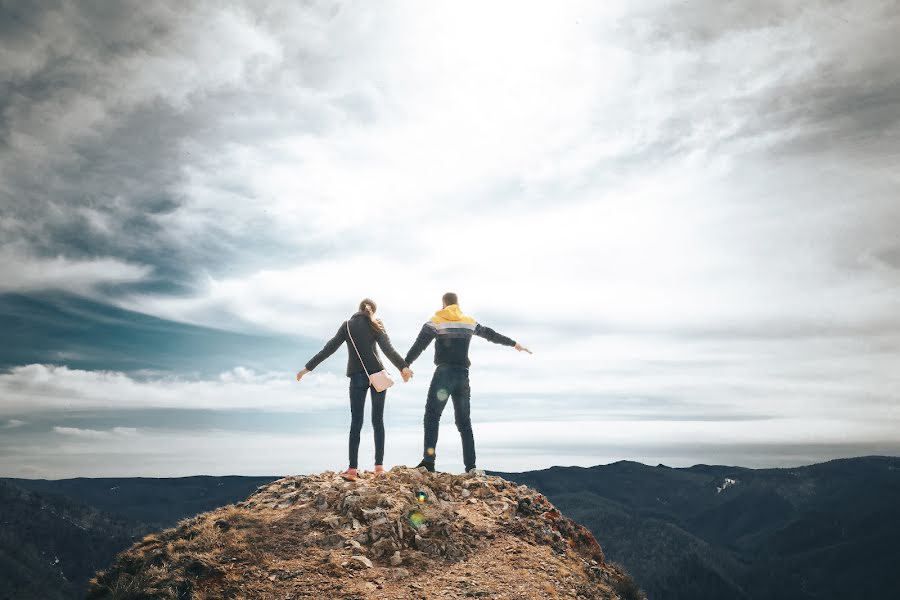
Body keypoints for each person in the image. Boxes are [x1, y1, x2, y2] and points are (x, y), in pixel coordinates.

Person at [404, 292, 531, 473]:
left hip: (443, 375)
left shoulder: (436, 320)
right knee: (464, 422)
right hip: (462, 375)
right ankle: (471, 467)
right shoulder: (468, 321)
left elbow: (419, 344)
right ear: (458, 304)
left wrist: (405, 364)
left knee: (432, 416)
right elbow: (491, 334)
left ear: (443, 304)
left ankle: (429, 461)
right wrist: (514, 344)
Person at [296, 298, 413, 481]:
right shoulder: (376, 324)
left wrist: (307, 368)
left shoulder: (347, 326)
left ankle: (352, 470)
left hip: (357, 376)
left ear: (358, 309)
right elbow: (388, 349)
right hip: (378, 376)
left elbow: (329, 348)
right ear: (373, 311)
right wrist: (403, 367)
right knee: (378, 421)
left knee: (356, 422)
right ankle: (379, 468)